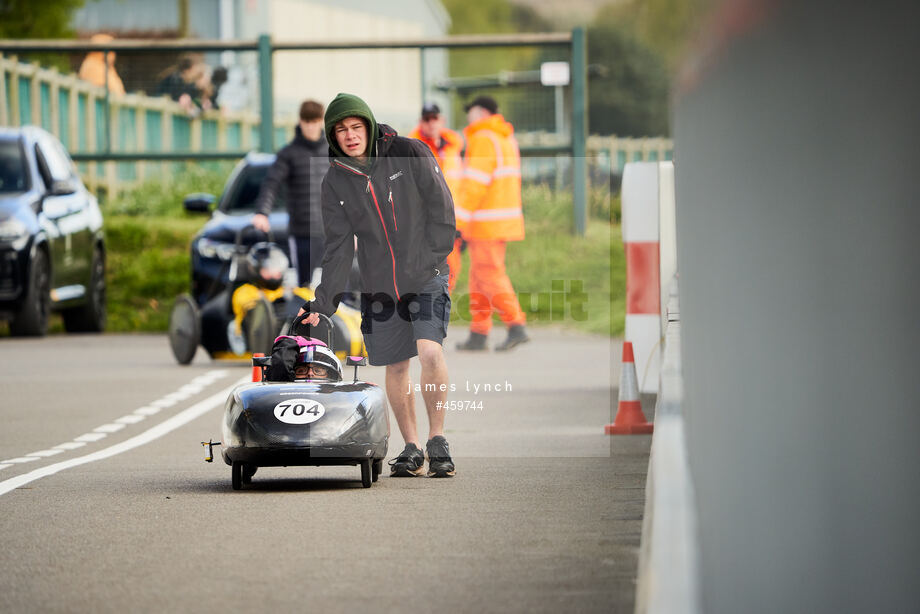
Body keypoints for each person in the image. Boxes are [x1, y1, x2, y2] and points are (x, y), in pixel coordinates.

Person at [298, 93, 457, 478]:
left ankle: (438, 440)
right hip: (380, 286)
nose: (350, 135)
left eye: (356, 127)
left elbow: (442, 206)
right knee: (395, 365)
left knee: (429, 351)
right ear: (333, 137)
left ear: (368, 126)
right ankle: (413, 448)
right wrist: (322, 304)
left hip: (426, 275)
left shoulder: (409, 152)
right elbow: (337, 248)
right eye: (341, 130)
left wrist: (433, 258)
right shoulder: (335, 181)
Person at [454, 95, 530, 352]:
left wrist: (457, 222)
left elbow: (474, 185)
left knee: (489, 276)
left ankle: (516, 325)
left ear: (481, 112)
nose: (468, 117)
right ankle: (479, 333)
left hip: (486, 222)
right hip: (498, 221)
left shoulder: (484, 138)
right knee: (479, 278)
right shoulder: (505, 138)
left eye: (470, 111)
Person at [253, 100, 329, 287]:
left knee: (339, 290)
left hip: (332, 232)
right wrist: (262, 212)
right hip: (303, 232)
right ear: (300, 122)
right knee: (304, 287)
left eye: (315, 121)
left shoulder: (334, 152)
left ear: (321, 122)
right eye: (307, 121)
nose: (311, 126)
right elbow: (271, 183)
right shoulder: (288, 154)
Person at [408, 102, 465, 293]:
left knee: (452, 268)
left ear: (442, 121)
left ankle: (439, 310)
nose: (431, 123)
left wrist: (462, 224)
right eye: (427, 119)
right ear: (420, 122)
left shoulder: (453, 148)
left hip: (452, 219)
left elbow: (460, 186)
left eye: (435, 119)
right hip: (426, 221)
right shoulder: (412, 149)